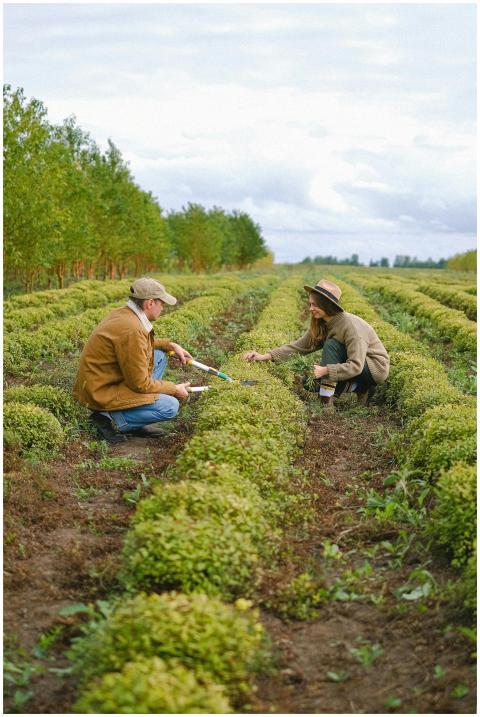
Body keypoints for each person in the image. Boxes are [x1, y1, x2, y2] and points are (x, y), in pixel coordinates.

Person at [73, 277, 192, 444]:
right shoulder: (133, 329)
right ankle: (107, 419)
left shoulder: (124, 315)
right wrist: (173, 388)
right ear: (150, 303)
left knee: (158, 355)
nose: (163, 308)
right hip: (101, 391)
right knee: (170, 406)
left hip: (103, 381)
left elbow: (138, 346)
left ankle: (132, 418)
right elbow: (140, 383)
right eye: (162, 303)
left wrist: (169, 345)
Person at [244, 279, 389, 407]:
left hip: (373, 367)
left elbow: (356, 365)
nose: (310, 309)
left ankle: (326, 402)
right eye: (310, 304)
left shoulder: (351, 328)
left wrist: (325, 371)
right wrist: (265, 356)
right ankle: (361, 388)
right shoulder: (322, 323)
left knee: (331, 346)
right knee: (310, 383)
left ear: (326, 305)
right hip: (355, 365)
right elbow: (300, 346)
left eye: (314, 305)